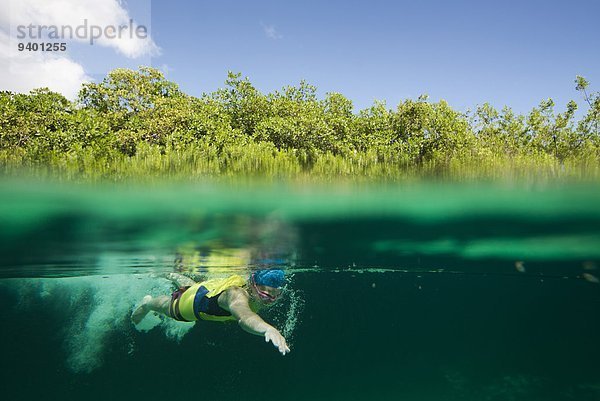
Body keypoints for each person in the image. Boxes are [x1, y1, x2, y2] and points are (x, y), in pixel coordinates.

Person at [131, 269, 290, 355]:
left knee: (192, 286)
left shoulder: (255, 292)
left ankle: (173, 274)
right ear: (252, 285)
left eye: (276, 296)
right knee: (168, 306)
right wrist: (267, 328)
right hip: (190, 307)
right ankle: (147, 304)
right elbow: (245, 316)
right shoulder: (236, 295)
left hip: (207, 288)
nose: (270, 301)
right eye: (266, 295)